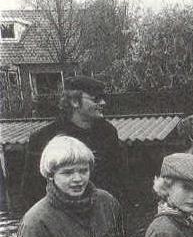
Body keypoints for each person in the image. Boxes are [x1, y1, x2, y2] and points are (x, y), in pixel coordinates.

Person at [21, 76, 126, 208]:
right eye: (96, 99)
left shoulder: (108, 133)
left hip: (100, 213)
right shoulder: (43, 138)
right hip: (60, 217)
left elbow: (119, 182)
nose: (103, 103)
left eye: (104, 98)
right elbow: (31, 193)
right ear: (75, 101)